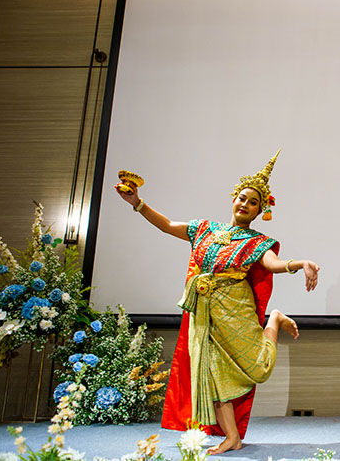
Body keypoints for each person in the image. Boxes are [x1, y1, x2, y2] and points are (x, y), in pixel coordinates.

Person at [115, 151, 320, 455]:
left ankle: (273, 320)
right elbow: (168, 225)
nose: (245, 205)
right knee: (210, 374)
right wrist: (138, 204)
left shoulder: (257, 243)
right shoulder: (204, 229)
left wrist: (300, 262)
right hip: (204, 312)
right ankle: (232, 437)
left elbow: (273, 264)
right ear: (233, 198)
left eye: (253, 203)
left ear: (260, 210)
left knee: (259, 368)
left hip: (236, 311)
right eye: (242, 198)